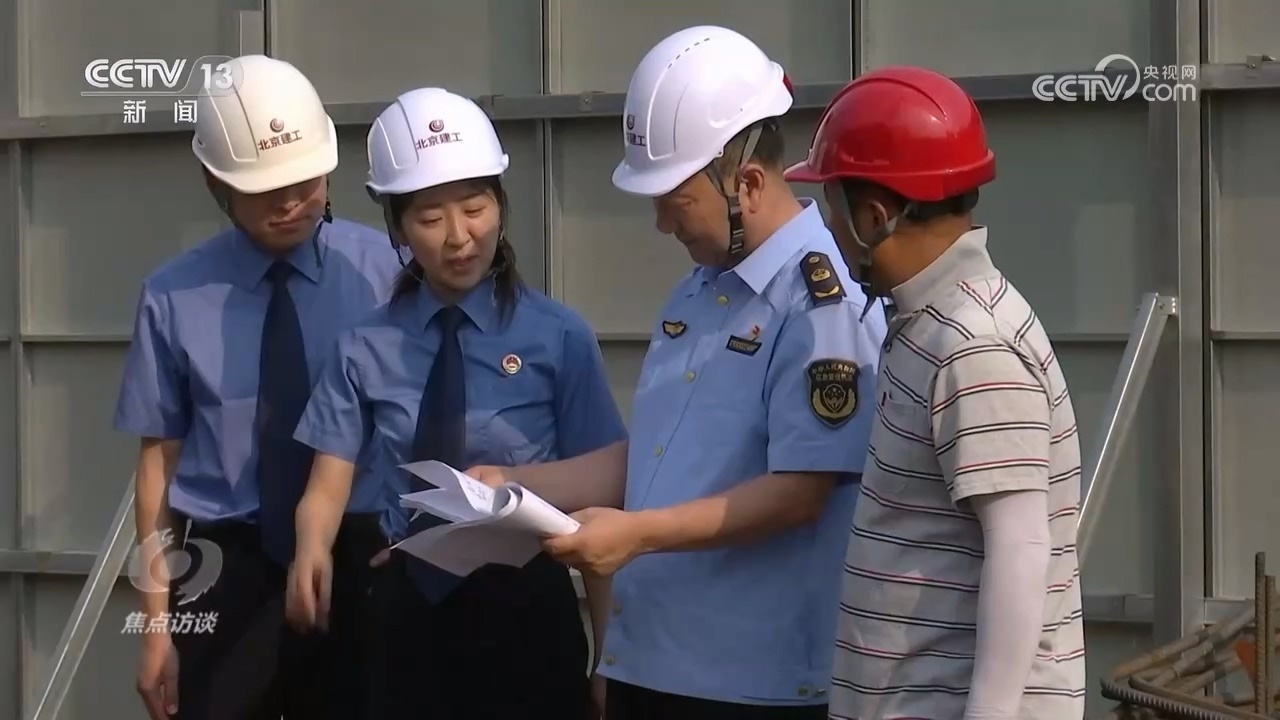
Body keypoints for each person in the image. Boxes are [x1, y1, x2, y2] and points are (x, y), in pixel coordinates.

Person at [469, 26, 888, 719]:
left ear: (746, 184)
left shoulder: (820, 302)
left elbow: (800, 490)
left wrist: (637, 534)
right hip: (653, 662)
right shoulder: (700, 290)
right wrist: (513, 484)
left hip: (749, 683)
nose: (662, 223)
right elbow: (660, 458)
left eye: (675, 199)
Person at [284, 86, 627, 719]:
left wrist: (611, 652)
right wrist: (311, 550)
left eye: (474, 208)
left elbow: (602, 498)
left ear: (500, 205)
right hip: (404, 614)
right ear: (397, 226)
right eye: (429, 218)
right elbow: (327, 486)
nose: (458, 238)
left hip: (529, 611)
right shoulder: (364, 346)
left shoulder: (559, 337)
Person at [784, 65, 1086, 720]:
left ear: (875, 217)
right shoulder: (926, 321)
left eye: (833, 207)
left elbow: (1020, 546)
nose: (827, 226)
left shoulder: (973, 344)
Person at [113, 55, 401, 720]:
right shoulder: (172, 296)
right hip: (228, 567)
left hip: (365, 556)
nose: (291, 202)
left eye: (305, 181)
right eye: (267, 189)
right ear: (215, 182)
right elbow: (158, 469)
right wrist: (157, 629)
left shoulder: (389, 273)